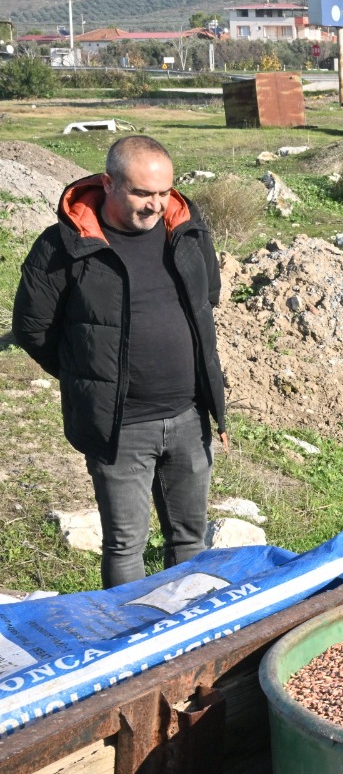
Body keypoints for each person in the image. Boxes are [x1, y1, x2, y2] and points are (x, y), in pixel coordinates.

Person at [13, 135, 227, 588]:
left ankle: (188, 635)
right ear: (109, 183)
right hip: (121, 427)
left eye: (164, 192)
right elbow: (33, 328)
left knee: (190, 539)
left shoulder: (186, 229)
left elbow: (208, 297)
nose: (156, 205)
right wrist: (92, 375)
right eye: (142, 193)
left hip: (188, 418)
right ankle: (131, 645)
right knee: (126, 543)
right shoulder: (62, 246)